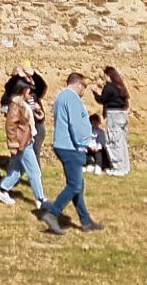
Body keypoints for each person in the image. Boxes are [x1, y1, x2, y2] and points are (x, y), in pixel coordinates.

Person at [40, 72, 101, 234]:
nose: (84, 92)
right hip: (71, 147)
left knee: (78, 185)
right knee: (74, 185)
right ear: (78, 84)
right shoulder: (72, 98)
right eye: (84, 87)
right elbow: (76, 124)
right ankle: (53, 213)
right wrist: (85, 143)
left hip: (63, 144)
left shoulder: (60, 96)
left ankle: (85, 221)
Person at [0, 77, 45, 204]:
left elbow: (28, 119)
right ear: (22, 90)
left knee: (18, 170)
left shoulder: (22, 103)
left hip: (27, 140)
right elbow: (11, 126)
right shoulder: (15, 105)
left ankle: (2, 190)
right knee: (34, 172)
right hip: (23, 143)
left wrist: (38, 112)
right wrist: (13, 145)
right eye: (27, 88)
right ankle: (40, 199)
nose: (29, 91)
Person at [97, 66, 131, 176]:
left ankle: (118, 168)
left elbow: (102, 99)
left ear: (107, 76)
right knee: (121, 141)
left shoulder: (109, 87)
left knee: (113, 141)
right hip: (123, 114)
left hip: (113, 115)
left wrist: (95, 92)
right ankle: (124, 166)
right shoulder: (121, 87)